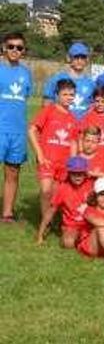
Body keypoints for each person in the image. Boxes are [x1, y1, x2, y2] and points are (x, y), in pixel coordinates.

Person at [30, 78, 79, 244]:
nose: (68, 97)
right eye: (65, 94)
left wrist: (72, 163)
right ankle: (47, 223)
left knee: (55, 195)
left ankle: (53, 222)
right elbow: (32, 130)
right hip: (47, 161)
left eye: (71, 95)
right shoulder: (49, 110)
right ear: (57, 95)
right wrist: (39, 154)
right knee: (45, 191)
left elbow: (73, 142)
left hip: (63, 164)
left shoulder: (73, 119)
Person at [0, 33, 32, 223]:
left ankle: (7, 213)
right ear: (4, 47)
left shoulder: (25, 73)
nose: (15, 50)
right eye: (11, 46)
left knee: (13, 172)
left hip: (18, 131)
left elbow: (24, 98)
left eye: (19, 48)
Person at [42, 42, 96, 120]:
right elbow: (46, 104)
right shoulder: (56, 79)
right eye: (76, 57)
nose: (79, 60)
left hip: (81, 129)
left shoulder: (91, 83)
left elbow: (92, 106)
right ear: (69, 58)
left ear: (87, 59)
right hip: (60, 126)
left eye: (83, 57)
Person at [48, 156, 93, 248]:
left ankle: (84, 238)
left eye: (80, 173)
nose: (77, 176)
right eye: (74, 174)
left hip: (90, 223)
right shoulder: (63, 188)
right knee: (67, 243)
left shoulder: (91, 185)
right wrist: (40, 235)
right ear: (69, 173)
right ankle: (81, 239)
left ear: (85, 173)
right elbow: (51, 210)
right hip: (71, 226)